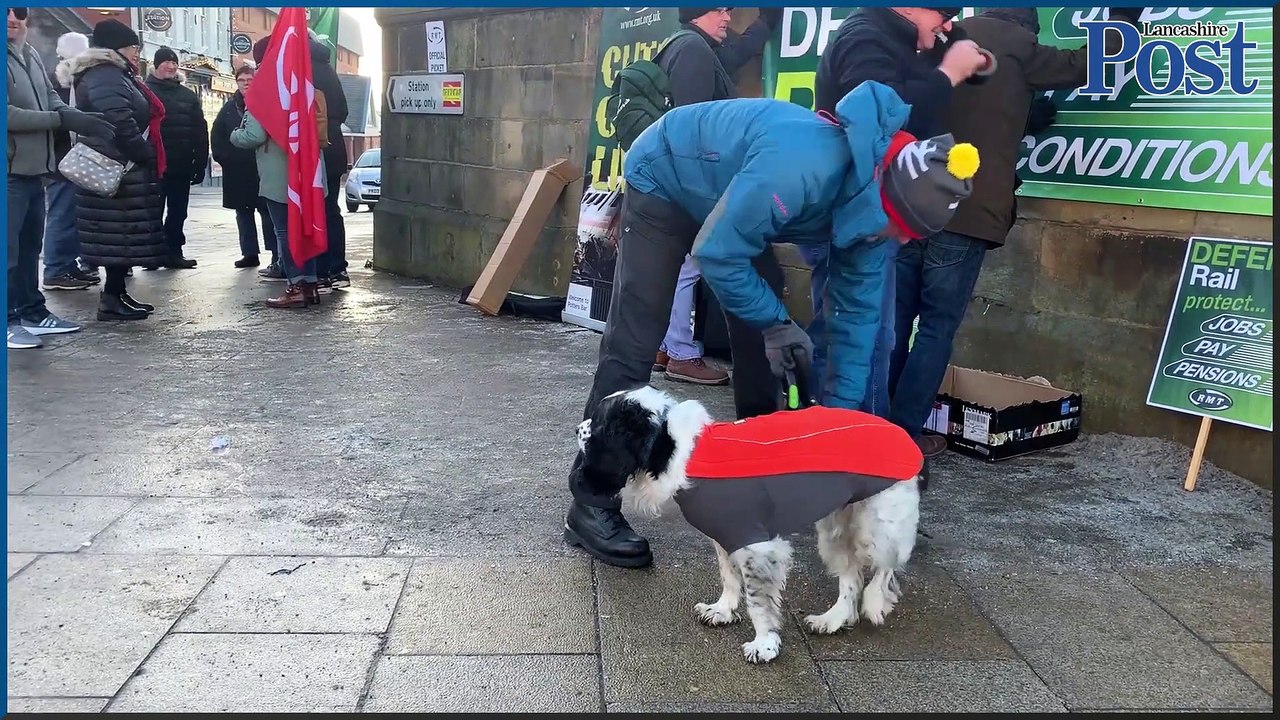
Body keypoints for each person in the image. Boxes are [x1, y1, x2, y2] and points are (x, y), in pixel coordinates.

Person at [562, 80, 978, 568]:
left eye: (908, 238)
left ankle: (750, 476)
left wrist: (837, 450)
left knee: (765, 347)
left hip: (734, 200)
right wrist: (778, 324)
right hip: (667, 176)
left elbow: (855, 328)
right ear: (882, 194)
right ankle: (592, 502)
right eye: (896, 230)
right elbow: (716, 252)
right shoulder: (801, 166)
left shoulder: (873, 218)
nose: (896, 243)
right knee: (635, 338)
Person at [883, 7, 1145, 449]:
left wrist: (1021, 116)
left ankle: (875, 429)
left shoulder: (941, 38)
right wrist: (1123, 18)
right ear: (1029, 26)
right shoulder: (1020, 47)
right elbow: (1092, 60)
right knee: (935, 330)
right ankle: (903, 436)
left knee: (893, 322)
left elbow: (960, 107)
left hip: (909, 205)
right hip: (965, 213)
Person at [807, 6, 987, 455]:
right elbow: (872, 116)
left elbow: (969, 63)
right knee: (856, 336)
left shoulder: (906, 37)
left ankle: (851, 445)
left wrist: (961, 53)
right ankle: (846, 450)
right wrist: (947, 74)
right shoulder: (866, 37)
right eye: (942, 13)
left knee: (875, 336)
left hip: (871, 212)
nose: (948, 24)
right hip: (850, 215)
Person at [650, 6, 782, 386]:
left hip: (678, 179)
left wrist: (766, 22)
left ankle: (665, 346)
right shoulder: (692, 51)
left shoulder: (693, 46)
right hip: (691, 182)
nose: (727, 17)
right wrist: (703, 193)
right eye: (720, 10)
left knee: (683, 263)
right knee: (691, 264)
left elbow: (734, 55)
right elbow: (691, 129)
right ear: (698, 13)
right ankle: (680, 352)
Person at [7, 7, 115, 349]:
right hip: (8, 171)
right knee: (7, 252)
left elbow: (52, 98)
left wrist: (76, 116)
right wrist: (60, 121)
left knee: (27, 249)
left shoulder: (30, 55)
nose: (13, 17)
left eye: (20, 11)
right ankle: (8, 321)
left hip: (33, 168)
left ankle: (31, 312)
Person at [69, 19, 168, 321]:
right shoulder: (106, 75)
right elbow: (118, 120)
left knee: (122, 236)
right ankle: (111, 299)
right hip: (115, 166)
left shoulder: (116, 74)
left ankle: (116, 293)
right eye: (131, 47)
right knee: (117, 235)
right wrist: (144, 153)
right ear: (115, 49)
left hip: (120, 166)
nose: (136, 53)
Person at [229, 88, 329, 308]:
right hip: (310, 171)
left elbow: (254, 135)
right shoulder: (306, 89)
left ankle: (296, 287)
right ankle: (310, 285)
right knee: (305, 230)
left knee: (284, 231)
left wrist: (234, 133)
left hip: (279, 175)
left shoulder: (265, 95)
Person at [41, 31, 100, 291]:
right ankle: (55, 269)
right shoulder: (63, 86)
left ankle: (66, 265)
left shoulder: (60, 81)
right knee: (62, 215)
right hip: (65, 160)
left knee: (69, 215)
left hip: (65, 159)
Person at [143, 46, 208, 270]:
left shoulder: (188, 95)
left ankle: (174, 252)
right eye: (166, 62)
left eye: (174, 62)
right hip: (152, 164)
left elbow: (200, 130)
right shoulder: (144, 91)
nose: (170, 66)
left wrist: (200, 162)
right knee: (153, 211)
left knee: (178, 211)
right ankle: (152, 254)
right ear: (156, 64)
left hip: (180, 164)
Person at [211, 62, 277, 269]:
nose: (246, 84)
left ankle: (276, 254)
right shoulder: (229, 108)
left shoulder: (265, 103)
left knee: (268, 212)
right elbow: (217, 135)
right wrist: (225, 159)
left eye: (250, 80)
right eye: (241, 80)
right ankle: (249, 253)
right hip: (237, 171)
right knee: (243, 212)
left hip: (261, 169)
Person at [308, 32, 350, 291]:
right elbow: (343, 110)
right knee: (331, 209)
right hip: (335, 147)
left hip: (314, 147)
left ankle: (320, 271)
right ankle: (338, 269)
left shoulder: (302, 69)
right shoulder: (328, 69)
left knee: (315, 211)